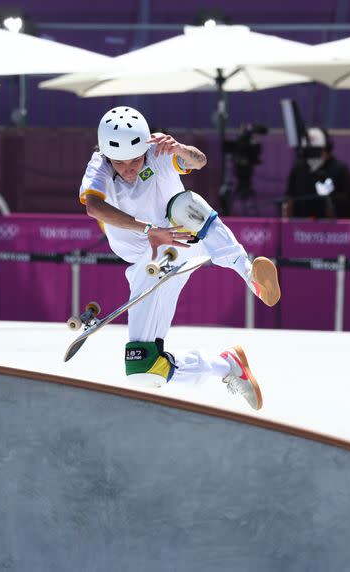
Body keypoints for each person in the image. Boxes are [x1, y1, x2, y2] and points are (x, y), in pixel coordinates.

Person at [78, 106, 281, 411]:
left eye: (135, 160)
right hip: (147, 264)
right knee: (144, 369)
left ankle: (249, 273)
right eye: (121, 163)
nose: (130, 169)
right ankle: (227, 365)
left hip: (182, 243)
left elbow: (200, 161)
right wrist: (149, 229)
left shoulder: (158, 150)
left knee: (184, 204)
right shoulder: (100, 166)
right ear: (107, 155)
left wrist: (182, 149)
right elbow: (94, 207)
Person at [282, 127, 350, 219]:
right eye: (309, 151)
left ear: (326, 149)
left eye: (316, 151)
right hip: (300, 226)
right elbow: (289, 198)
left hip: (332, 228)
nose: (312, 155)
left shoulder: (340, 170)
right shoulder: (298, 169)